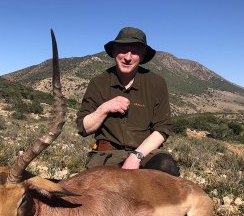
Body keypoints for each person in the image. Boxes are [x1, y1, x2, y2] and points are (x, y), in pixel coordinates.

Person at [76, 27, 180, 176]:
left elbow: (162, 129)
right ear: (114, 52)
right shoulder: (98, 82)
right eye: (123, 50)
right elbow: (84, 127)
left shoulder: (156, 83)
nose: (128, 57)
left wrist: (137, 156)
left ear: (143, 56)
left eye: (135, 52)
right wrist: (104, 108)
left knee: (166, 167)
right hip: (106, 156)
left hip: (144, 155)